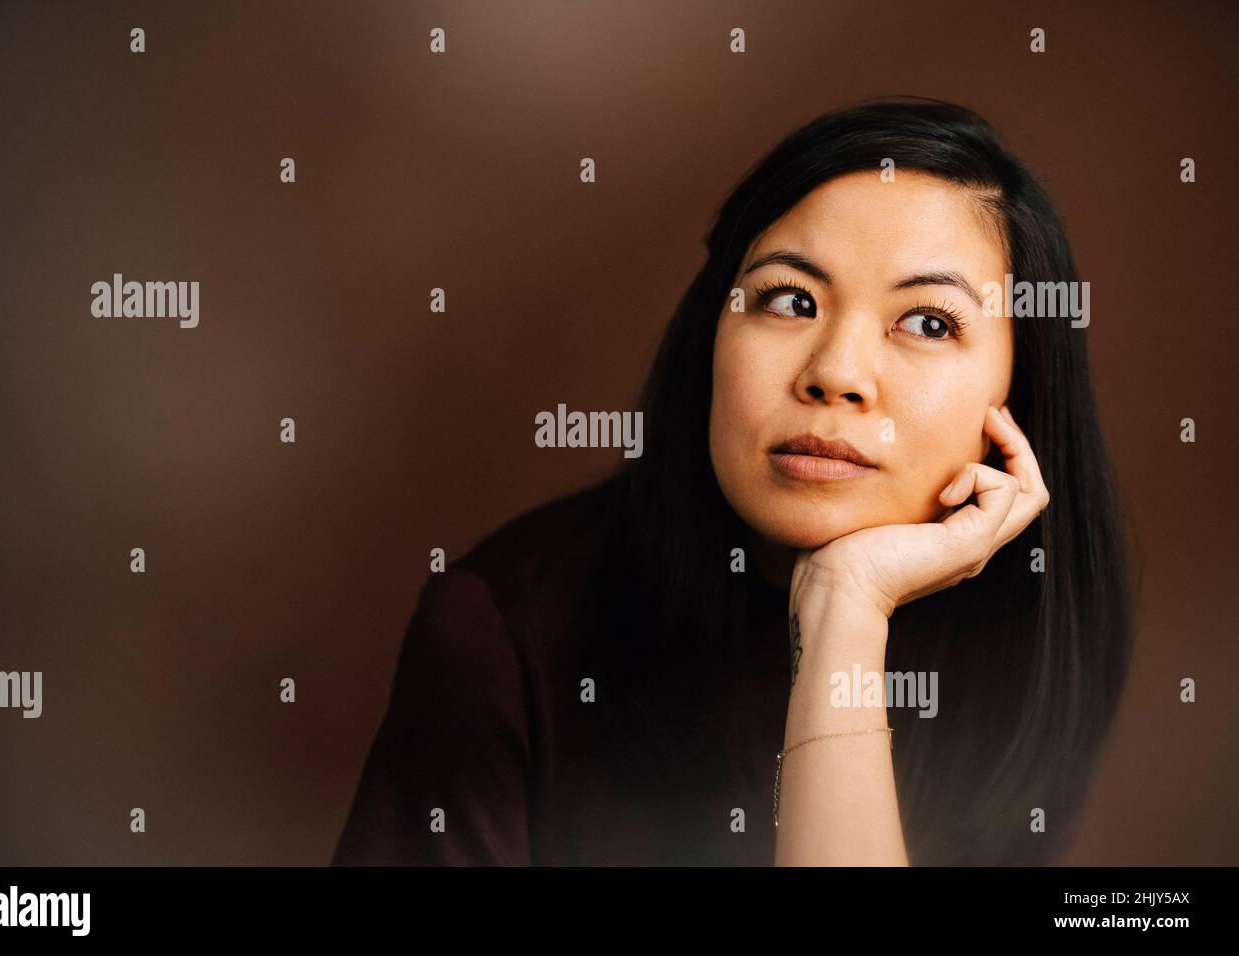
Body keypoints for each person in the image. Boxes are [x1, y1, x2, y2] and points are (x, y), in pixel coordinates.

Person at [331, 97, 1132, 867]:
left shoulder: (1031, 630)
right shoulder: (499, 634)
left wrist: (845, 608)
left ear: (1019, 391)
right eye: (790, 299)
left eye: (927, 322)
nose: (837, 373)